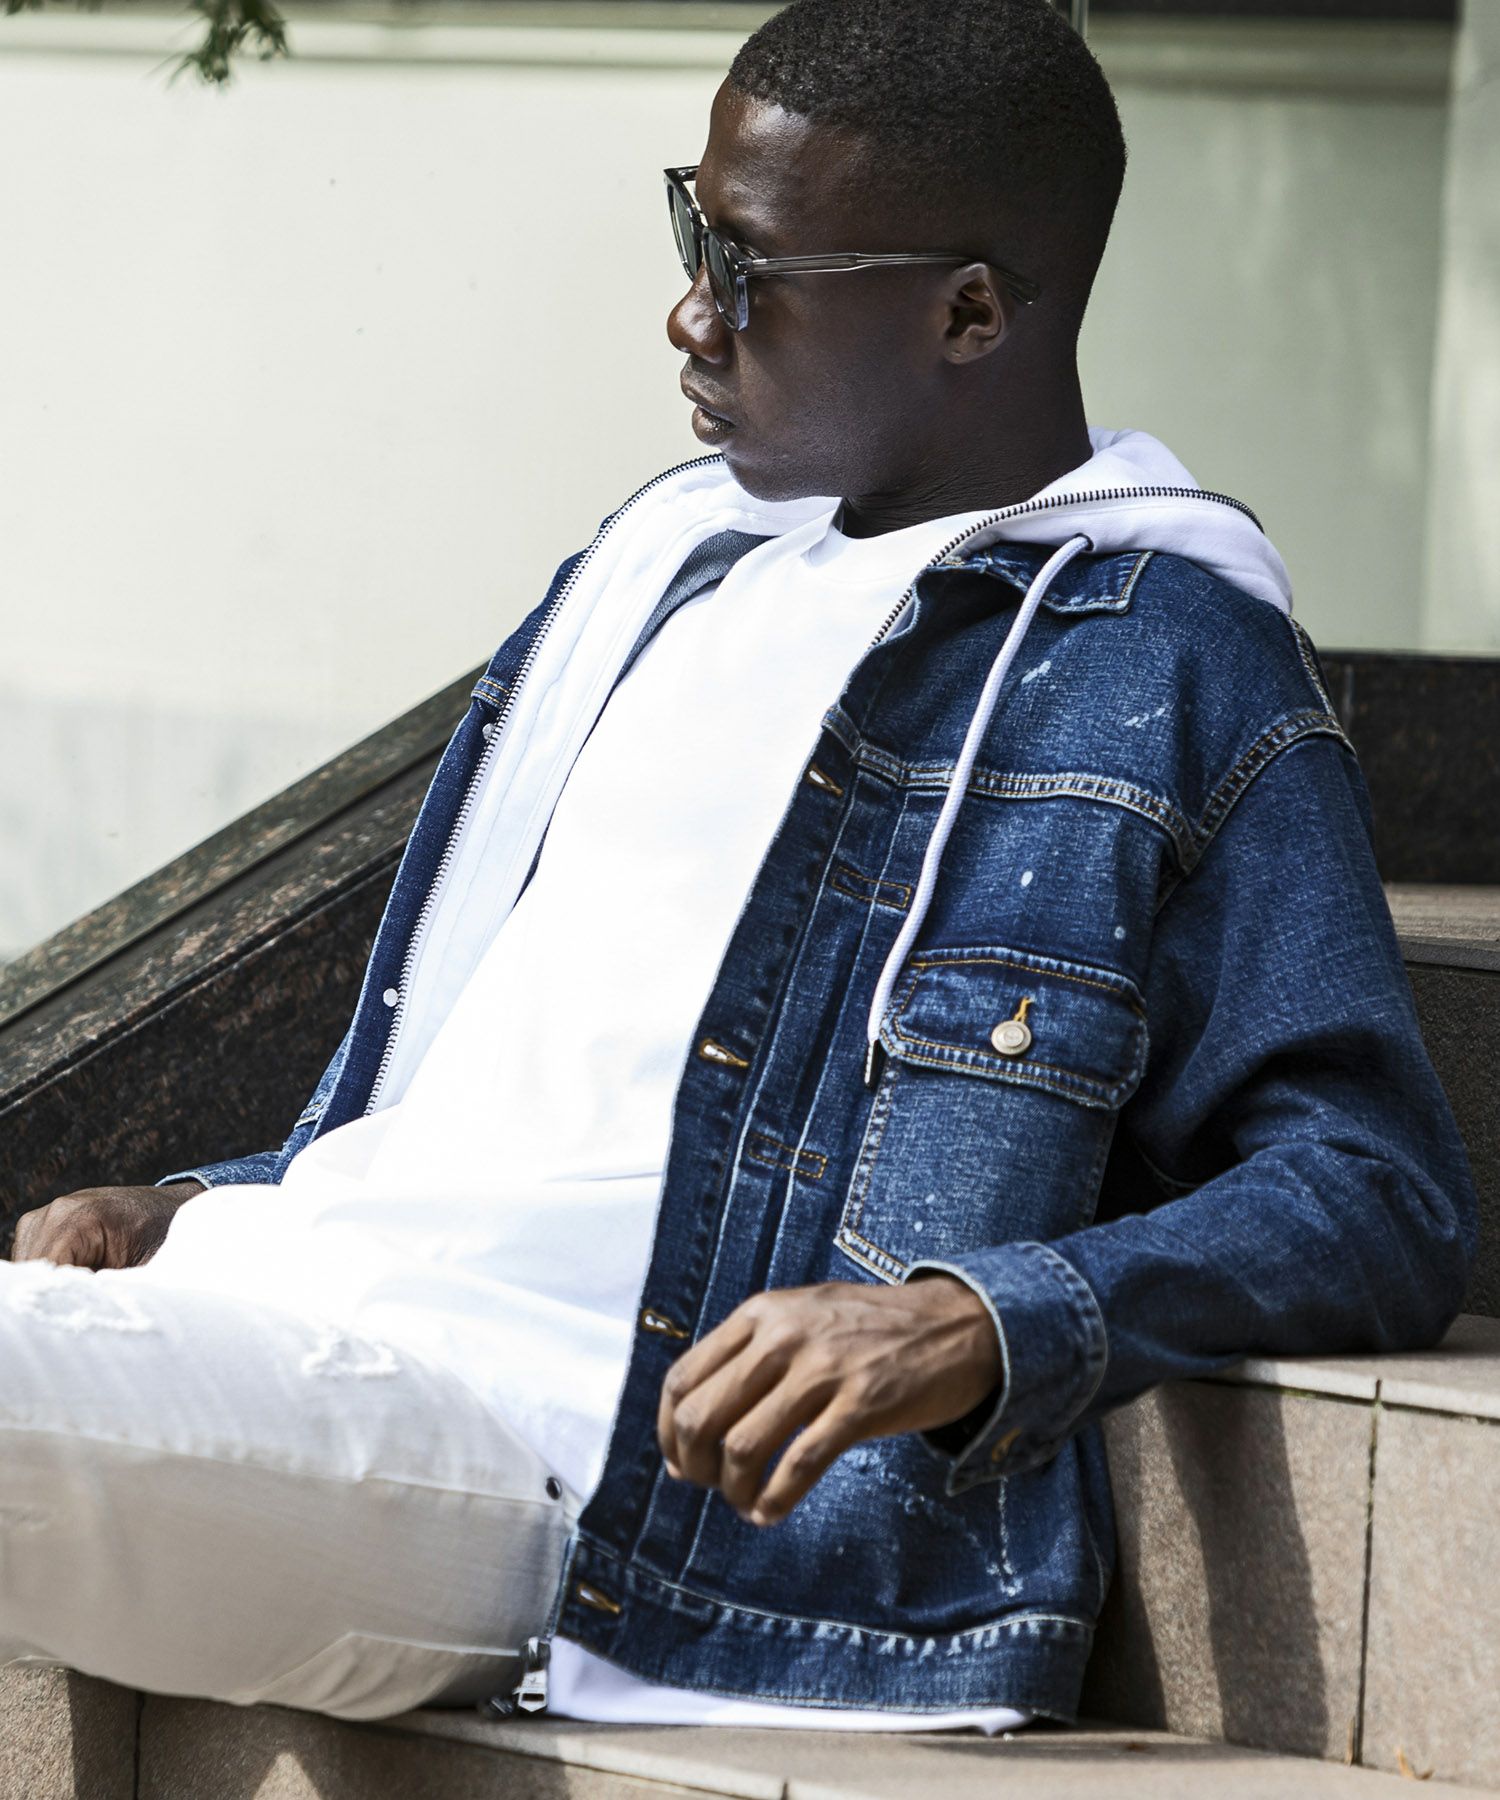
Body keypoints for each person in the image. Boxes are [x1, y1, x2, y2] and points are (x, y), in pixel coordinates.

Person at [5, 0, 1476, 1737]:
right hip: (292, 1316)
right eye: (690, 231)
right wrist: (208, 1204)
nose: (691, 312)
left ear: (971, 312)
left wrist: (971, 1322)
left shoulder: (1155, 660)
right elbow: (550, 1103)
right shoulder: (661, 578)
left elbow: (1375, 1194)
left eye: (752, 267)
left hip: (567, 1457)